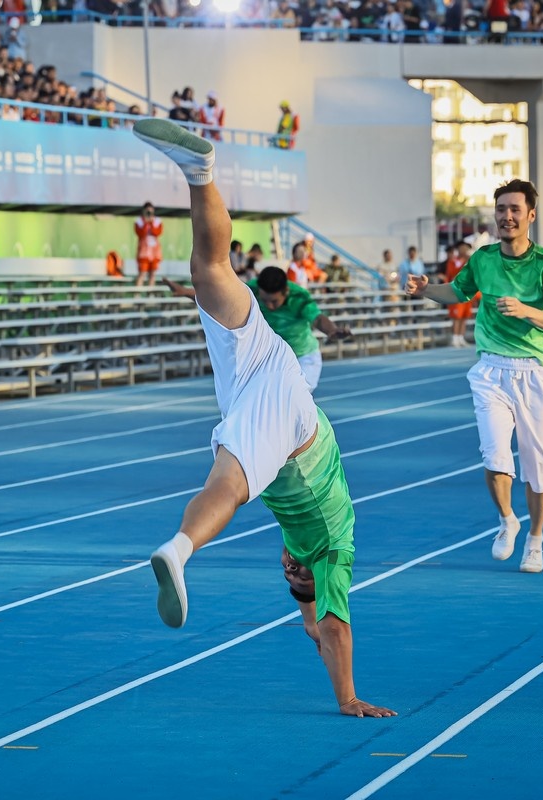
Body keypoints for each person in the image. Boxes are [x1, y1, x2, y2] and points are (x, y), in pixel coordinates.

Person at [134, 117, 395, 718]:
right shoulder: (333, 551)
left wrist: (305, 615)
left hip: (262, 364)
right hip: (292, 429)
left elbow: (307, 610)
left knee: (211, 273)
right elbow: (333, 626)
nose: (286, 561)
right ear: (308, 570)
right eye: (293, 570)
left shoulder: (300, 551)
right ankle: (178, 551)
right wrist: (347, 695)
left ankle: (199, 174)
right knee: (227, 483)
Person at [405, 179, 543, 575]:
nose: (507, 216)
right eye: (501, 209)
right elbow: (458, 293)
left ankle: (535, 539)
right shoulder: (483, 259)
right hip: (491, 371)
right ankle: (507, 520)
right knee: (495, 455)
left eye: (515, 209)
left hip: (535, 372)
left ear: (531, 215)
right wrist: (428, 289)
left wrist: (526, 310)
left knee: (538, 465)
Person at [164, 265, 351, 392]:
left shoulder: (299, 297)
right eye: (265, 301)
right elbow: (219, 299)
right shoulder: (251, 289)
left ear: (285, 291)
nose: (269, 306)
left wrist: (332, 330)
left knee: (293, 398)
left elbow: (318, 319)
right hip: (270, 358)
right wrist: (185, 292)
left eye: (274, 301)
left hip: (302, 356)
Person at [445, 241, 474, 347]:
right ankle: (455, 337)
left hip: (467, 293)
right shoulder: (454, 261)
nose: (465, 250)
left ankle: (461, 337)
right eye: (464, 248)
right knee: (456, 317)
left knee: (464, 316)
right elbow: (454, 274)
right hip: (456, 293)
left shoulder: (470, 260)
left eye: (467, 248)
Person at [135, 202, 164, 287]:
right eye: (147, 211)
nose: (149, 213)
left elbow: (157, 233)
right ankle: (137, 295)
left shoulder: (157, 221)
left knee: (153, 274)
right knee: (142, 273)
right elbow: (140, 233)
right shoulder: (139, 221)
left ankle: (150, 296)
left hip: (154, 252)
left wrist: (151, 223)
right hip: (144, 252)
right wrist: (145, 222)